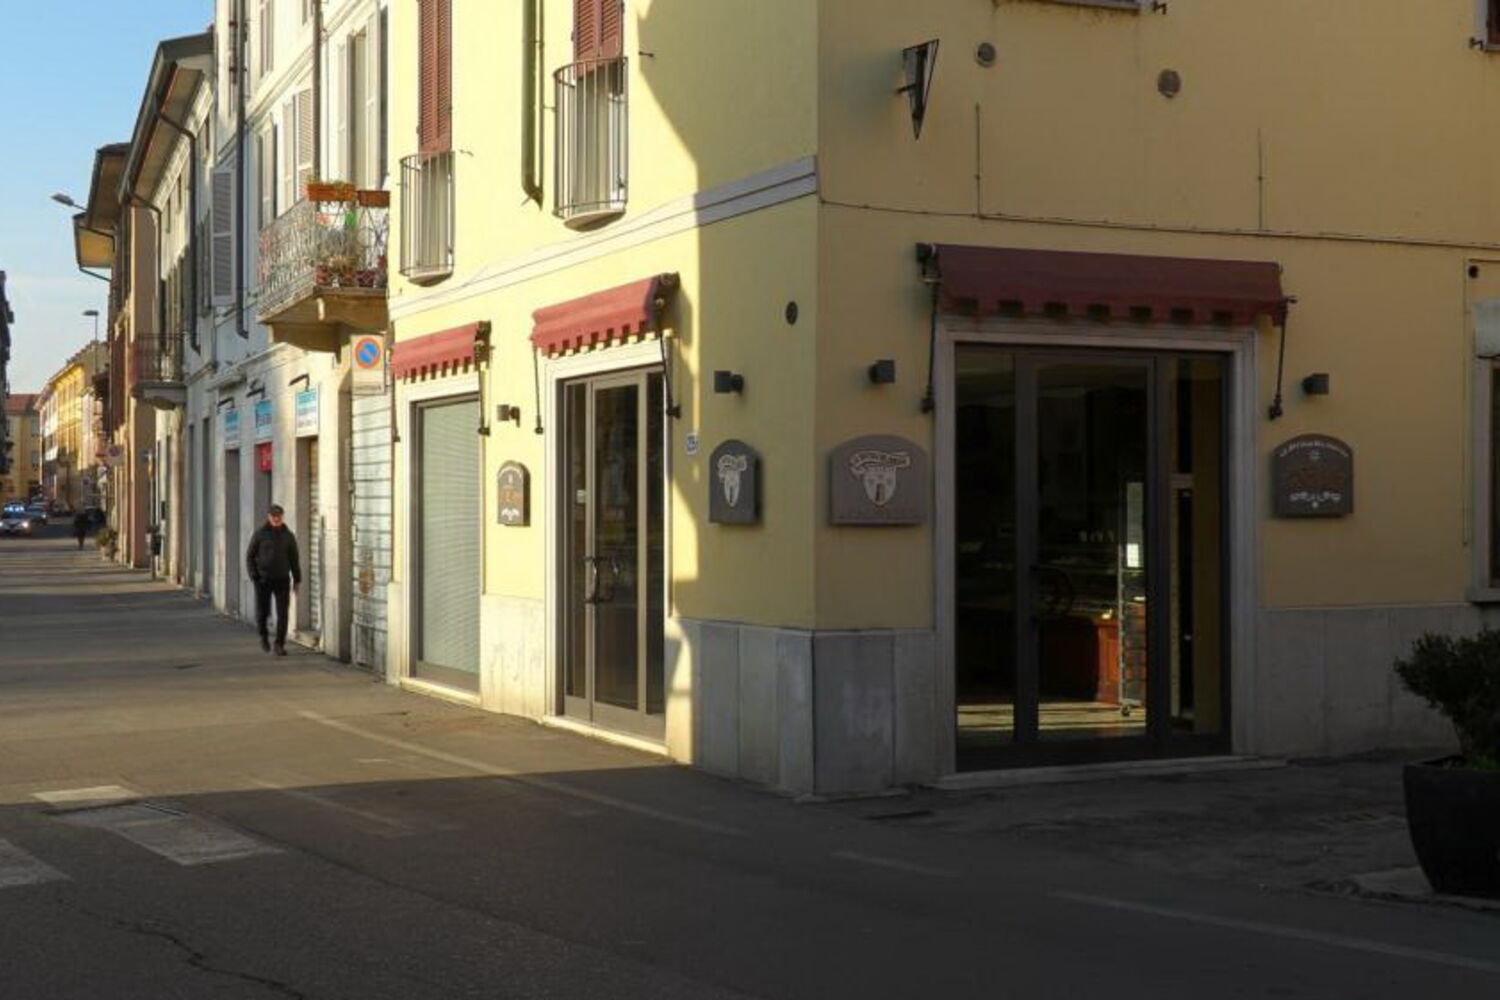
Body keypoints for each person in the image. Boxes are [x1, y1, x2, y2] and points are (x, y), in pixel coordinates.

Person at [245, 503, 301, 655]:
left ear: (282, 517)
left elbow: (294, 559)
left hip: (282, 579)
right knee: (262, 611)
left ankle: (279, 644)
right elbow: (250, 556)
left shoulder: (288, 536)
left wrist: (297, 579)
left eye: (279, 516)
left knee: (283, 613)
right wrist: (254, 575)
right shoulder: (260, 534)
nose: (277, 519)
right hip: (263, 579)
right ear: (269, 517)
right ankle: (263, 636)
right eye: (274, 516)